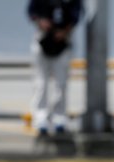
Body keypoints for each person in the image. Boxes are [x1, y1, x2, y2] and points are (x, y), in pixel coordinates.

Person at [27, 0, 83, 136]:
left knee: (61, 83)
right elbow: (31, 11)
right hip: (42, 39)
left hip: (63, 42)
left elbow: (77, 13)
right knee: (41, 82)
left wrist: (64, 31)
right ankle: (41, 118)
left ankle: (60, 118)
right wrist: (41, 22)